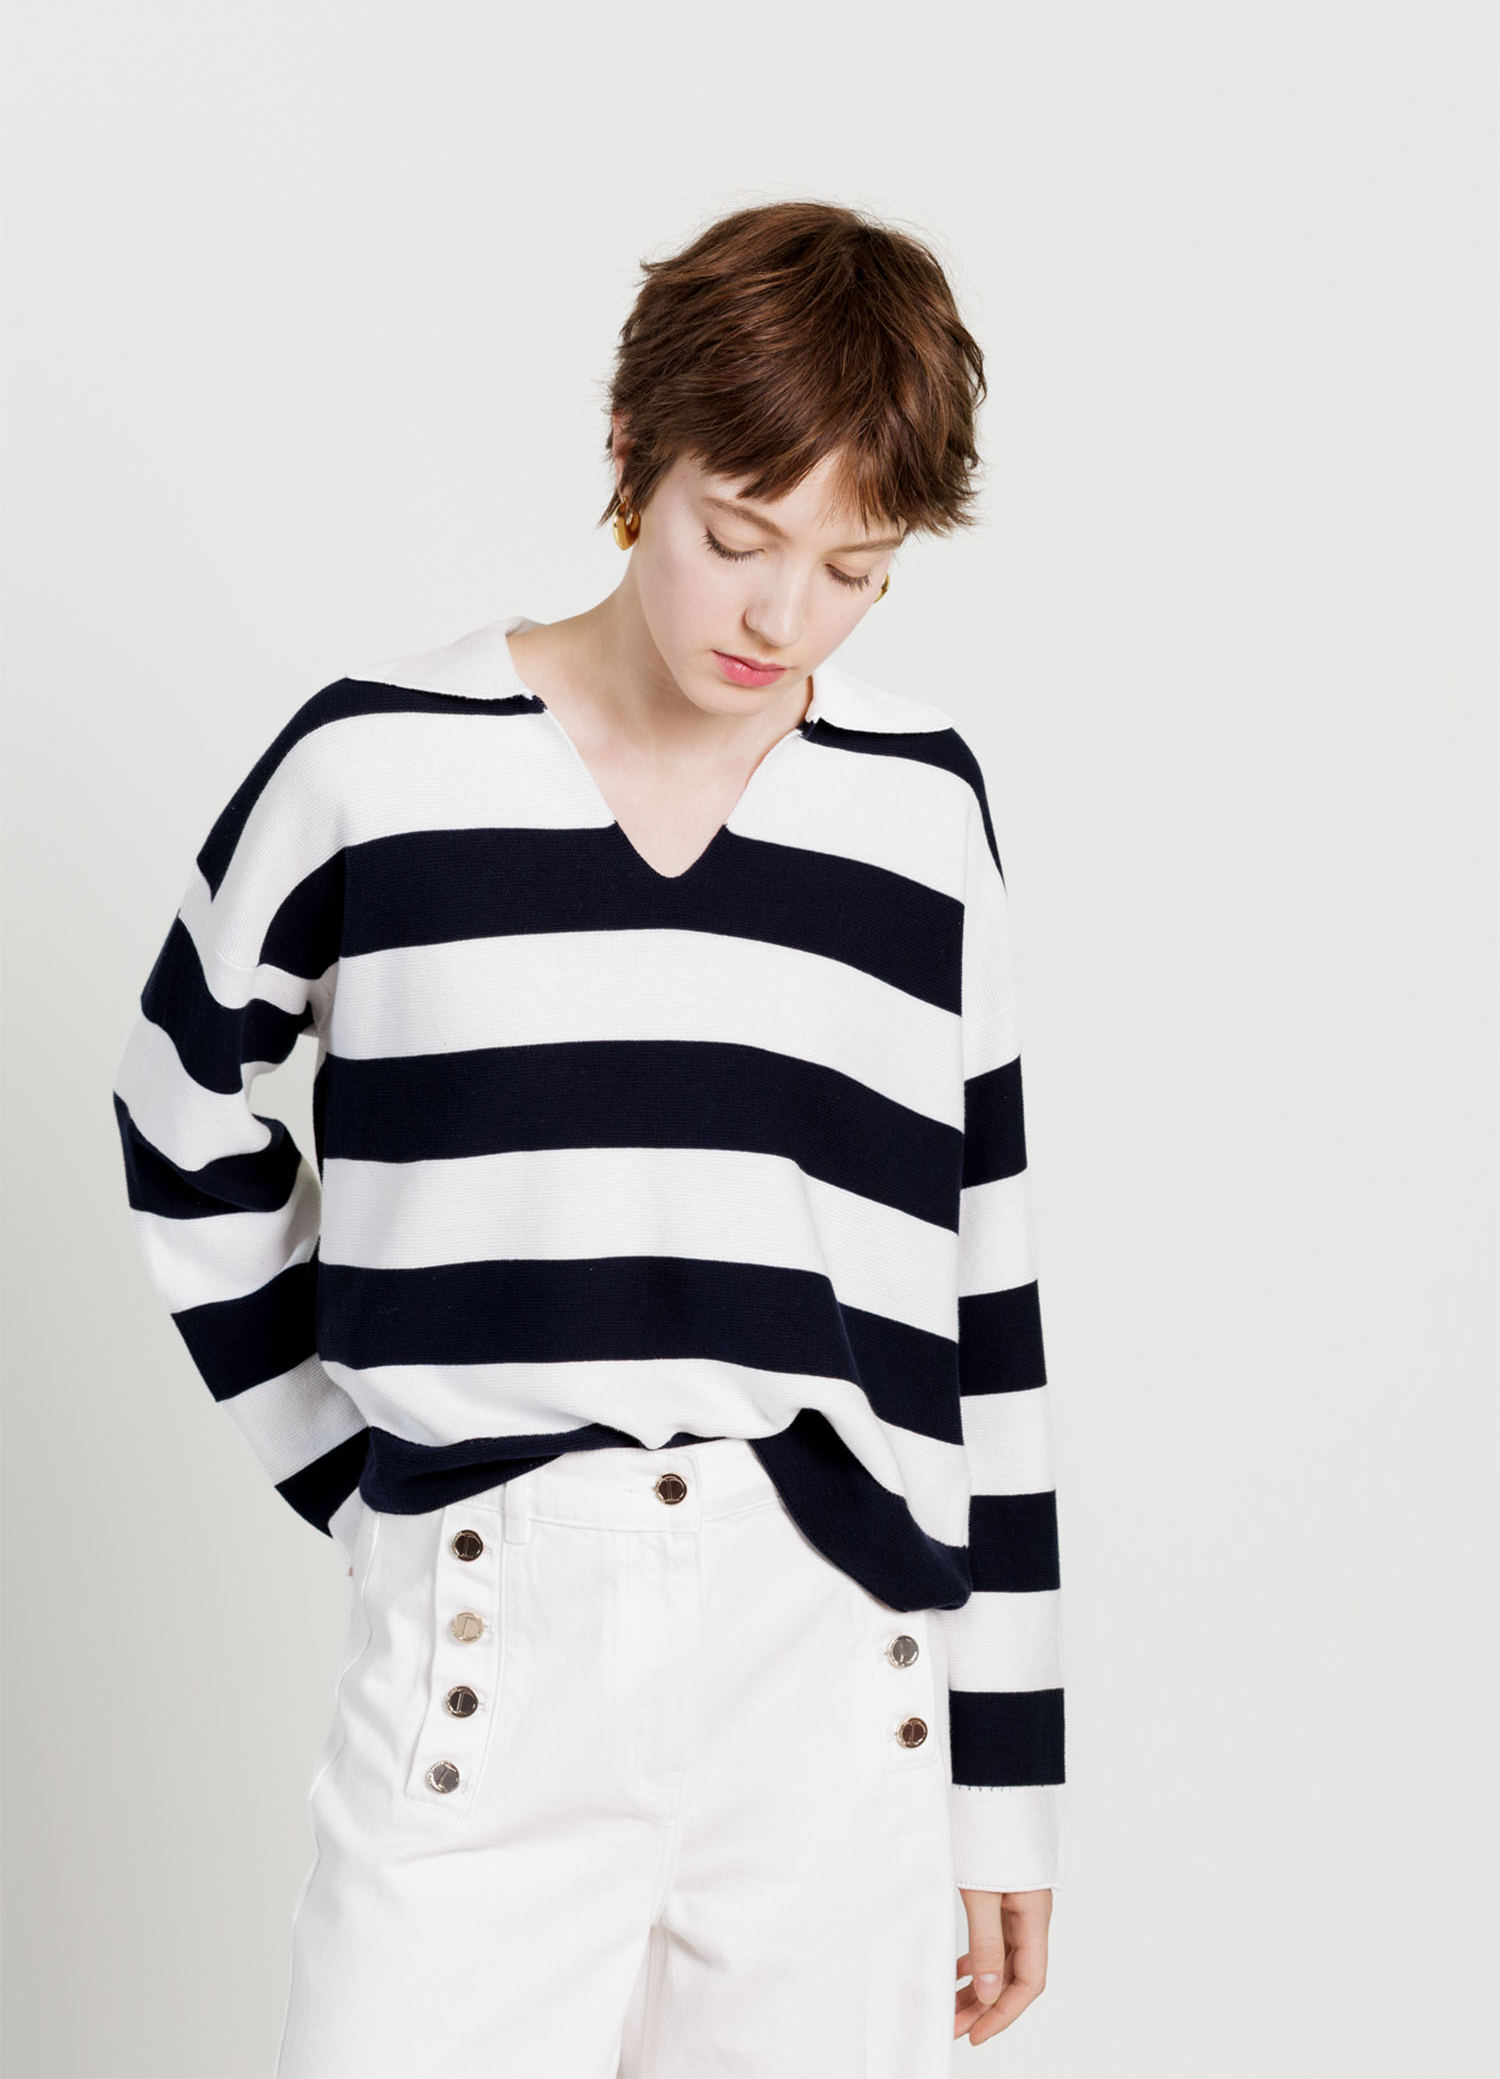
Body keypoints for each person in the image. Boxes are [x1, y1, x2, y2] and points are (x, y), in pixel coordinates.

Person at [110, 199, 1065, 2077]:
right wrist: (369, 1475)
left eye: (855, 568)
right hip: (490, 1650)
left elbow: (983, 1286)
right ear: (632, 455)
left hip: (831, 1663)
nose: (781, 617)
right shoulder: (375, 769)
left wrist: (1006, 1778)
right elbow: (178, 1110)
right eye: (738, 535)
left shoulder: (920, 808)